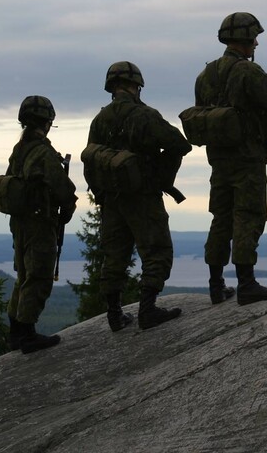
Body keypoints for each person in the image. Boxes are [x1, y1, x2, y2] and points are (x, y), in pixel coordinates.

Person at [194, 12, 267, 305]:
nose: (257, 44)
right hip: (247, 157)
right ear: (247, 40)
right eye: (254, 38)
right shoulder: (248, 72)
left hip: (218, 158)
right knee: (249, 216)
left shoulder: (206, 74)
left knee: (220, 218)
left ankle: (215, 284)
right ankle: (247, 284)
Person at [86, 61, 191, 331]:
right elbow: (179, 144)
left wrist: (102, 194)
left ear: (111, 87)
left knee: (114, 257)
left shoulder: (100, 120)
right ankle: (147, 310)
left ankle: (114, 314)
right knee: (157, 251)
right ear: (137, 86)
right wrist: (161, 176)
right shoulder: (144, 116)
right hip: (143, 197)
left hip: (112, 200)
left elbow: (91, 163)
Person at [7, 95, 77, 354]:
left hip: (20, 222)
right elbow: (62, 188)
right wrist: (68, 209)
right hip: (39, 223)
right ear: (46, 122)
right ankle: (27, 336)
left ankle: (16, 333)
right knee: (38, 276)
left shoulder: (19, 149)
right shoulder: (43, 152)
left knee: (23, 275)